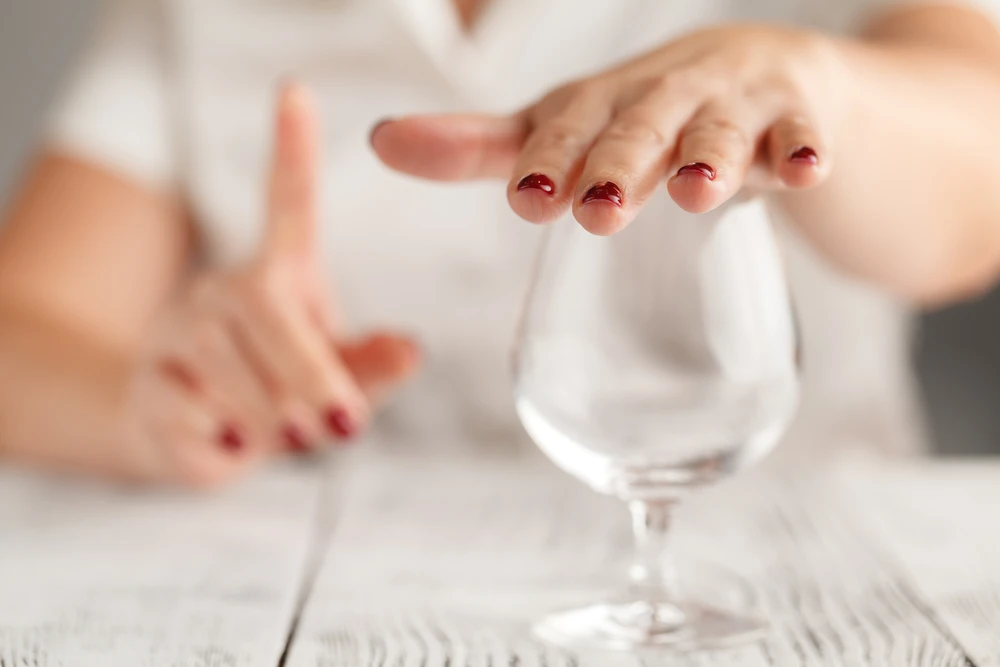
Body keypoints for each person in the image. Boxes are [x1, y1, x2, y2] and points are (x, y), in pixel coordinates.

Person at [1, 0, 999, 486]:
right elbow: (24, 327)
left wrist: (815, 89)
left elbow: (976, 191)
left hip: (812, 564)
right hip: (361, 592)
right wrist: (151, 402)